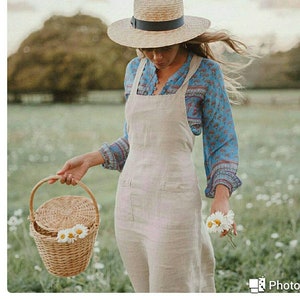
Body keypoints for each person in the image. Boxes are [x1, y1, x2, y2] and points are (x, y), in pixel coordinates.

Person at [51, 0, 249, 293]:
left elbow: (222, 142)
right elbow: (134, 140)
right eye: (148, 47)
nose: (156, 56)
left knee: (175, 287)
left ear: (180, 38)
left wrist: (221, 196)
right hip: (131, 201)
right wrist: (91, 159)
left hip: (175, 202)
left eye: (164, 47)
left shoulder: (205, 73)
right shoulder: (134, 70)